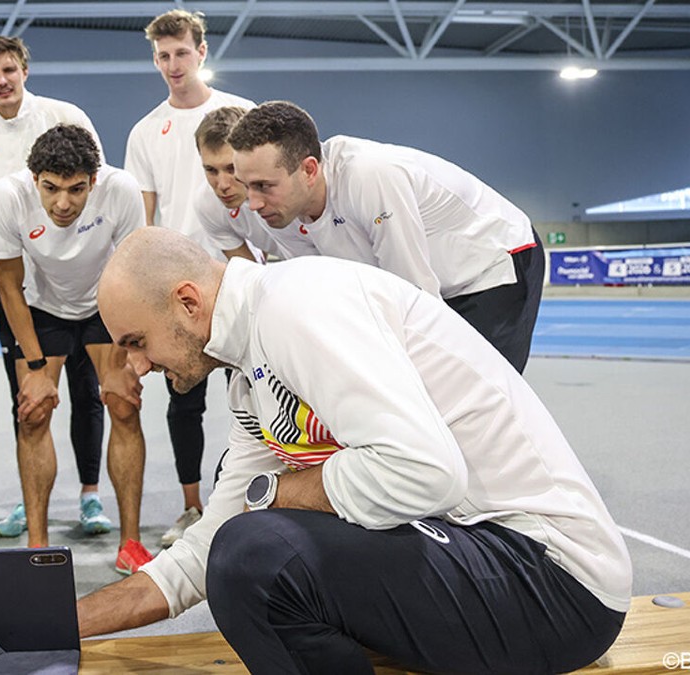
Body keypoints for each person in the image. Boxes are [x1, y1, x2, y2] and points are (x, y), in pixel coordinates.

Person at [79, 227, 632, 674]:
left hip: (554, 582)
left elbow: (426, 474)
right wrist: (65, 619)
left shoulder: (296, 307)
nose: (139, 366)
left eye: (136, 342)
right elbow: (205, 548)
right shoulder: (249, 375)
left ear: (187, 301)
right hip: (476, 553)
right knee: (241, 548)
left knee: (256, 555)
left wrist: (277, 490)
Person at [229, 100, 545, 373]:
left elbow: (416, 299)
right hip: (435, 284)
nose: (253, 203)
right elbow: (327, 295)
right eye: (246, 185)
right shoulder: (277, 211)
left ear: (309, 170)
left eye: (264, 186)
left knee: (476, 401)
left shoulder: (370, 176)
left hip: (495, 261)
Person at [0, 35, 114, 539]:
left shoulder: (64, 115)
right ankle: (33, 502)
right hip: (22, 286)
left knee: (88, 392)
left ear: (24, 69)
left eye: (9, 70)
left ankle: (90, 495)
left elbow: (95, 185)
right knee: (26, 396)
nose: (1, 81)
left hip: (83, 273)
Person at [0, 125, 151, 573]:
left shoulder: (121, 189)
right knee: (33, 411)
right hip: (39, 306)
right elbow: (8, 284)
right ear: (33, 178)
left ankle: (130, 543)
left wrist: (123, 354)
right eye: (51, 188)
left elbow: (134, 270)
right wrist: (36, 366)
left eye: (77, 190)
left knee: (123, 403)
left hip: (106, 303)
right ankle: (38, 545)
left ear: (93, 181)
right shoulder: (8, 195)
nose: (63, 204)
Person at [124, 9, 255, 547]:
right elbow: (143, 220)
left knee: (254, 394)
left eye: (182, 52)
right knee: (184, 401)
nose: (173, 64)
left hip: (239, 276)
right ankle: (192, 507)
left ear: (202, 52)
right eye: (163, 55)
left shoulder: (242, 114)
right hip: (175, 291)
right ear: (154, 59)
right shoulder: (144, 132)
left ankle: (250, 500)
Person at [193, 106, 317, 262]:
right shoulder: (208, 205)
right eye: (211, 170)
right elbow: (249, 273)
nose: (222, 185)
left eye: (232, 168)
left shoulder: (293, 192)